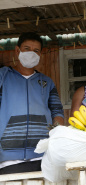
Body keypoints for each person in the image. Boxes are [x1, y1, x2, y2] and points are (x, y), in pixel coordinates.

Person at [0, 32, 64, 174]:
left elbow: (57, 110)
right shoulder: (3, 77)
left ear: (40, 54)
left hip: (42, 155)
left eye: (36, 51)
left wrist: (55, 133)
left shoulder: (46, 82)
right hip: (8, 157)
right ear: (18, 51)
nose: (31, 53)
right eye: (27, 48)